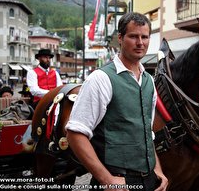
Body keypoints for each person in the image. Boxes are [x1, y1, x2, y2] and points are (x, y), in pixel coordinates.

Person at [65, 12, 168, 191]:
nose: (140, 42)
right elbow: (75, 134)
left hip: (149, 180)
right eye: (133, 36)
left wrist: (157, 169)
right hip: (117, 182)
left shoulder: (149, 81)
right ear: (120, 38)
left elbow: (146, 133)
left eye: (144, 37)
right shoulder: (101, 78)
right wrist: (106, 180)